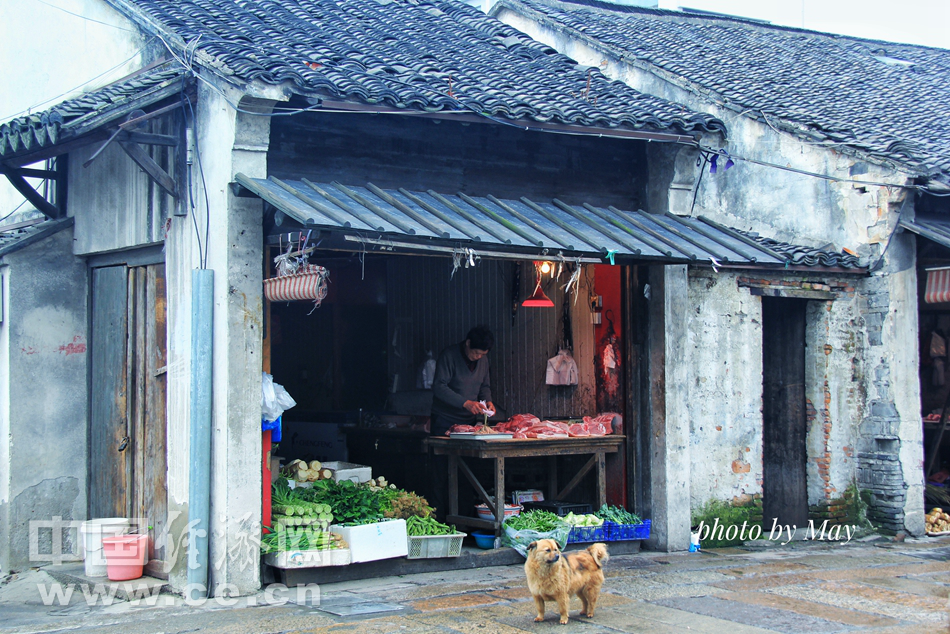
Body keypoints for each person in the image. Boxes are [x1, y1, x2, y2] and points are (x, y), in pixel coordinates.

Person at [430, 325, 496, 436]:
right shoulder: (449, 356)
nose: (479, 357)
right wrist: (465, 403)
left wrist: (488, 401)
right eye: (476, 353)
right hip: (444, 420)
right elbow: (439, 387)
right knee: (444, 452)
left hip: (469, 422)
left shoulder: (483, 360)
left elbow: (484, 386)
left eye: (483, 354)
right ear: (468, 343)